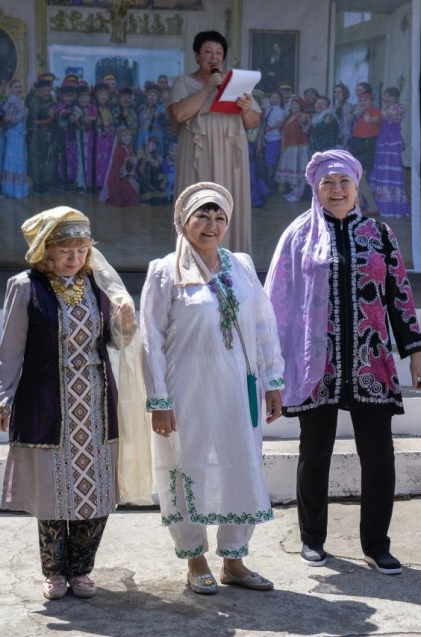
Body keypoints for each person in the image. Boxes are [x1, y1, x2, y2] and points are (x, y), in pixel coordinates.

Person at [265, 150, 421, 575]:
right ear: (315, 189)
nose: (336, 190)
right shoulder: (298, 236)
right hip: (314, 366)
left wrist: (415, 353)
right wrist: (270, 367)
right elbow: (277, 303)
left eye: (343, 182)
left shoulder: (380, 234)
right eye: (327, 183)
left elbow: (400, 297)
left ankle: (377, 544)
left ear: (357, 186)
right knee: (314, 451)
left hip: (370, 361)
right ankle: (312, 539)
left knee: (379, 454)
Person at [0, 207, 149, 600]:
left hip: (95, 402)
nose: (75, 257)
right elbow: (11, 349)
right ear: (46, 251)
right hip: (47, 401)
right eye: (65, 250)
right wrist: (1, 398)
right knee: (53, 491)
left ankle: (81, 569)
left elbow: (114, 342)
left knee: (94, 490)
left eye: (81, 249)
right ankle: (55, 571)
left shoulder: (97, 286)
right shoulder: (26, 287)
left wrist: (126, 324)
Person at [141, 182, 285, 595]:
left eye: (219, 216)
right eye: (202, 215)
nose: (212, 224)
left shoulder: (239, 265)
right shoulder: (164, 271)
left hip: (239, 389)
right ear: (183, 221)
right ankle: (195, 559)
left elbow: (263, 326)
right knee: (189, 468)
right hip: (186, 389)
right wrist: (159, 401)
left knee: (242, 464)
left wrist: (273, 381)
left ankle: (235, 561)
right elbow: (150, 338)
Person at [168, 31, 261, 254]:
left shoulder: (236, 84)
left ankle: (231, 266)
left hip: (231, 158)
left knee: (229, 205)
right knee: (196, 204)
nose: (214, 57)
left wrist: (247, 109)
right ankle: (191, 264)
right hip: (197, 158)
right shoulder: (184, 82)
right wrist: (208, 87)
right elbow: (179, 114)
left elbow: (253, 121)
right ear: (196, 55)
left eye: (219, 52)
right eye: (208, 51)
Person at [369, 87, 409, 218]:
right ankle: (376, 205)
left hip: (391, 142)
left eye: (390, 96)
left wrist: (375, 110)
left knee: (389, 171)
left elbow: (385, 116)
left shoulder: (398, 108)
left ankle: (391, 206)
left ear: (396, 98)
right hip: (381, 140)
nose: (386, 98)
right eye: (385, 96)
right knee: (380, 171)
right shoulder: (383, 108)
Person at [349, 92, 381, 214]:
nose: (363, 102)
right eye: (361, 100)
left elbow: (377, 119)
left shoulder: (376, 111)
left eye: (366, 100)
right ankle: (360, 204)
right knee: (355, 176)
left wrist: (370, 118)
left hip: (367, 144)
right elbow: (349, 119)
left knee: (361, 177)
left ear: (371, 101)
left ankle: (373, 207)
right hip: (357, 143)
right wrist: (358, 111)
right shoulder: (358, 113)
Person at [275, 96, 311, 202]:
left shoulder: (302, 116)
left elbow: (306, 128)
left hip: (299, 148)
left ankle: (297, 194)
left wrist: (305, 122)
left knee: (298, 170)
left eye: (296, 104)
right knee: (292, 171)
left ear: (301, 106)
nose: (294, 106)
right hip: (290, 148)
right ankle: (293, 191)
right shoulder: (290, 116)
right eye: (292, 104)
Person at [0, 79, 29, 198]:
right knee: (16, 160)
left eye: (20, 87)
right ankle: (15, 190)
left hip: (18, 132)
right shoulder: (12, 100)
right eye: (16, 87)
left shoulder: (16, 100)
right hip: (15, 132)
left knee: (17, 160)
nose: (19, 89)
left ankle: (13, 189)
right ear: (11, 88)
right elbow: (10, 120)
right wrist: (24, 113)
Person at [332, 83, 354, 149]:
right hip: (336, 136)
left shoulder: (347, 106)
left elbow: (346, 124)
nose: (337, 94)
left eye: (339, 92)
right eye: (335, 92)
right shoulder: (335, 106)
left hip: (343, 139)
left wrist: (345, 140)